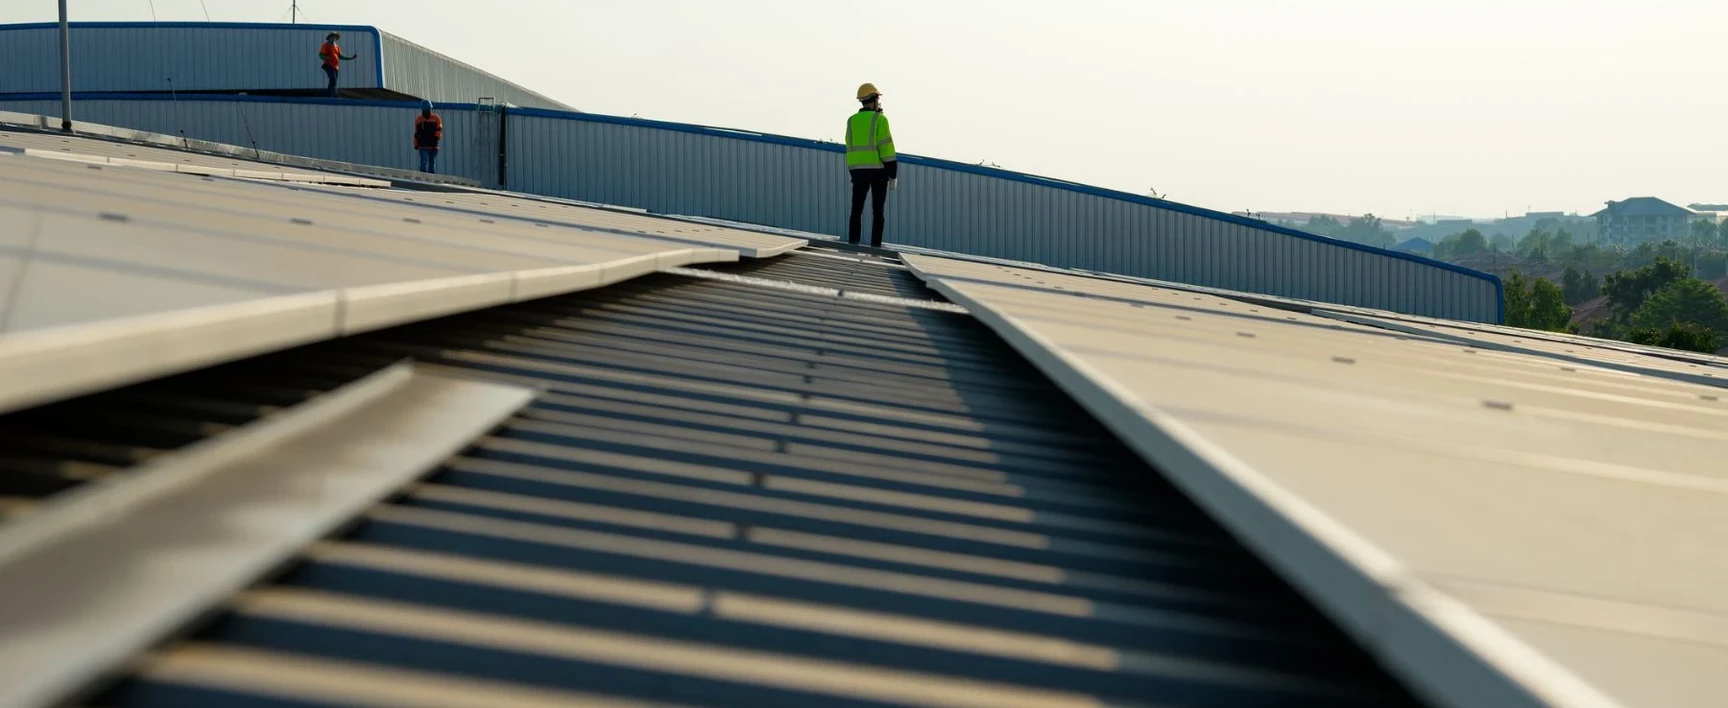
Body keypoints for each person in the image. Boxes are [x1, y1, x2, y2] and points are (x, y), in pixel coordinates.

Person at [844, 82, 898, 248]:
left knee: (856, 210)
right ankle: (876, 247)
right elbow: (886, 149)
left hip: (858, 172)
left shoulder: (851, 121)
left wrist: (854, 172)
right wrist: (893, 174)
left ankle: (853, 243)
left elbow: (849, 147)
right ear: (874, 99)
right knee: (878, 212)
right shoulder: (880, 120)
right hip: (878, 172)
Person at [318, 31, 357, 98]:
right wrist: (327, 57)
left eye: (335, 37)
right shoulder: (325, 45)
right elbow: (320, 55)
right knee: (333, 80)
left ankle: (328, 95)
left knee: (333, 81)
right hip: (328, 65)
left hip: (335, 67)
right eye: (332, 37)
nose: (334, 38)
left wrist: (351, 58)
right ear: (329, 38)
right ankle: (335, 95)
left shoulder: (337, 46)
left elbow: (341, 56)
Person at [414, 100, 444, 174]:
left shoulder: (436, 118)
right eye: (424, 111)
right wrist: (416, 144)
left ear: (430, 110)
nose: (425, 112)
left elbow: (439, 130)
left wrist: (437, 137)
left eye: (427, 111)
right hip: (423, 146)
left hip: (433, 146)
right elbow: (416, 133)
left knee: (431, 165)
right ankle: (423, 180)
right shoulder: (418, 120)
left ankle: (431, 181)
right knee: (423, 163)